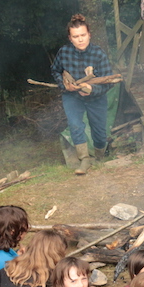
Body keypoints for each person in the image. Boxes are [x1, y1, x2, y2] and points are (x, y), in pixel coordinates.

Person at [51, 13, 115, 175]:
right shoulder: (64, 53)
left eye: (83, 35)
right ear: (70, 38)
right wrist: (65, 85)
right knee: (75, 125)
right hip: (72, 96)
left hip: (96, 98)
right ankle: (84, 159)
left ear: (89, 35)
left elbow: (107, 81)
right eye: (76, 36)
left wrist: (92, 89)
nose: (80, 39)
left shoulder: (98, 54)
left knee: (99, 132)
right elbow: (55, 70)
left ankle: (99, 157)